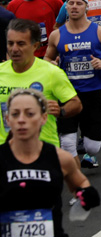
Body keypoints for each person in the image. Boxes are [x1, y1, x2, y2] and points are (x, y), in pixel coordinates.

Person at [0, 88, 98, 237]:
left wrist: (86, 196)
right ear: (7, 119)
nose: (22, 120)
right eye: (15, 114)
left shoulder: (60, 158)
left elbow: (81, 185)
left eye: (29, 114)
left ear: (44, 118)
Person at [44, 0, 101, 168]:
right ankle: (74, 176)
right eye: (71, 3)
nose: (74, 7)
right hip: (67, 93)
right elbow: (47, 58)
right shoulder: (57, 35)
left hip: (93, 92)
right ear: (66, 6)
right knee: (67, 142)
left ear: (86, 7)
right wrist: (52, 65)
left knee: (92, 147)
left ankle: (88, 148)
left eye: (79, 4)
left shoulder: (99, 32)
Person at [0, 19, 81, 147]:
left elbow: (76, 104)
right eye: (10, 43)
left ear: (35, 46)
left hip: (43, 150)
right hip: (5, 149)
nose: (14, 49)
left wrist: (61, 111)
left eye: (21, 44)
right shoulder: (1, 71)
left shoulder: (52, 73)